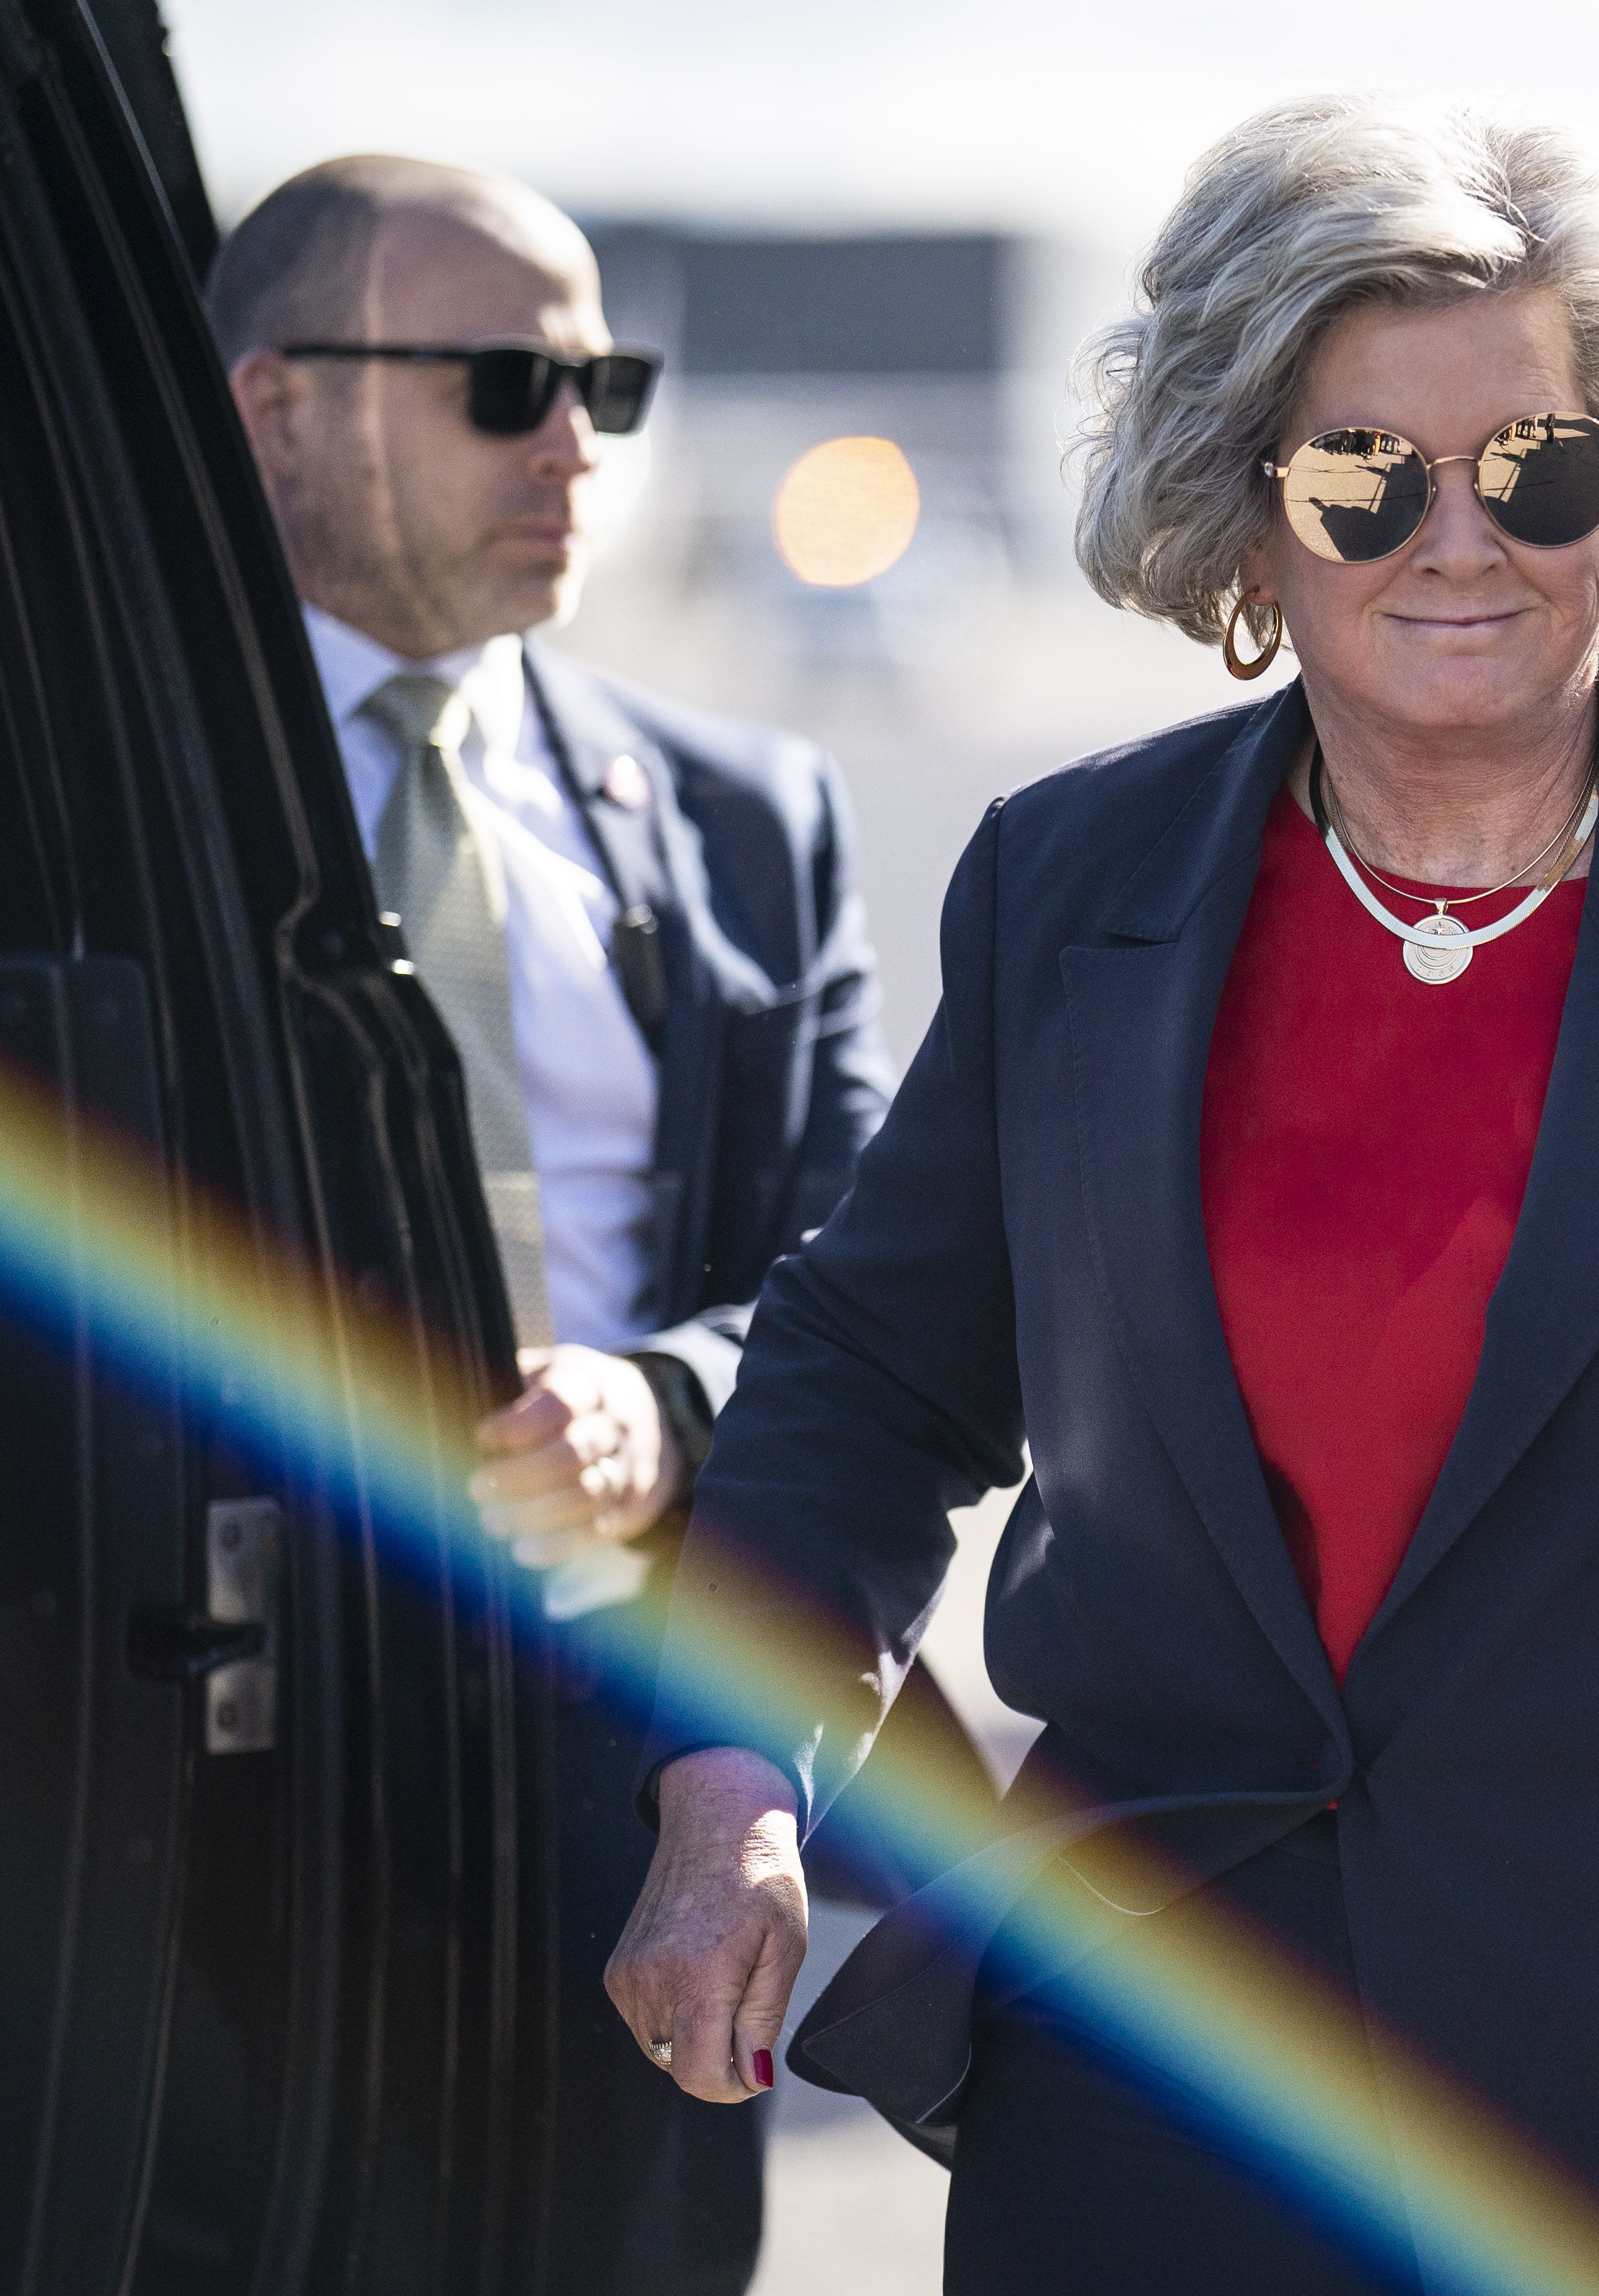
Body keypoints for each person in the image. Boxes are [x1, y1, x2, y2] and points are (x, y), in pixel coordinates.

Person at [610, 97, 1599, 2293]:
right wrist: (735, 1770)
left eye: (1540, 469)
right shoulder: (1070, 891)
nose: (1461, 538)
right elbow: (873, 1377)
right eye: (1367, 475)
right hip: (1168, 2085)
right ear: (1246, 522)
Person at [209, 157, 987, 2295]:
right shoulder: (82, 806)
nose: (574, 445)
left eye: (599, 386)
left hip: (629, 1779)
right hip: (214, 1745)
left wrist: (663, 1397)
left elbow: (875, 1288)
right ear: (275, 407)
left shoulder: (744, 817)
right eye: (501, 384)